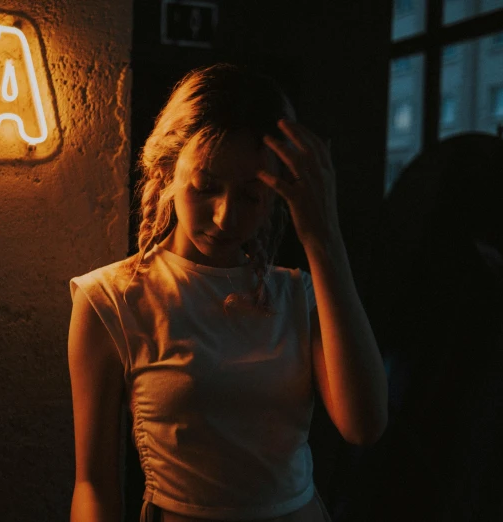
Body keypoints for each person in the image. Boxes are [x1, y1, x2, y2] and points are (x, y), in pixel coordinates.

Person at [67, 63, 388, 522]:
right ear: (167, 172)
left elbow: (364, 425)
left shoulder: (297, 295)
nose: (224, 217)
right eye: (206, 187)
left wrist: (325, 239)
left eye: (251, 197)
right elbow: (94, 484)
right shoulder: (112, 299)